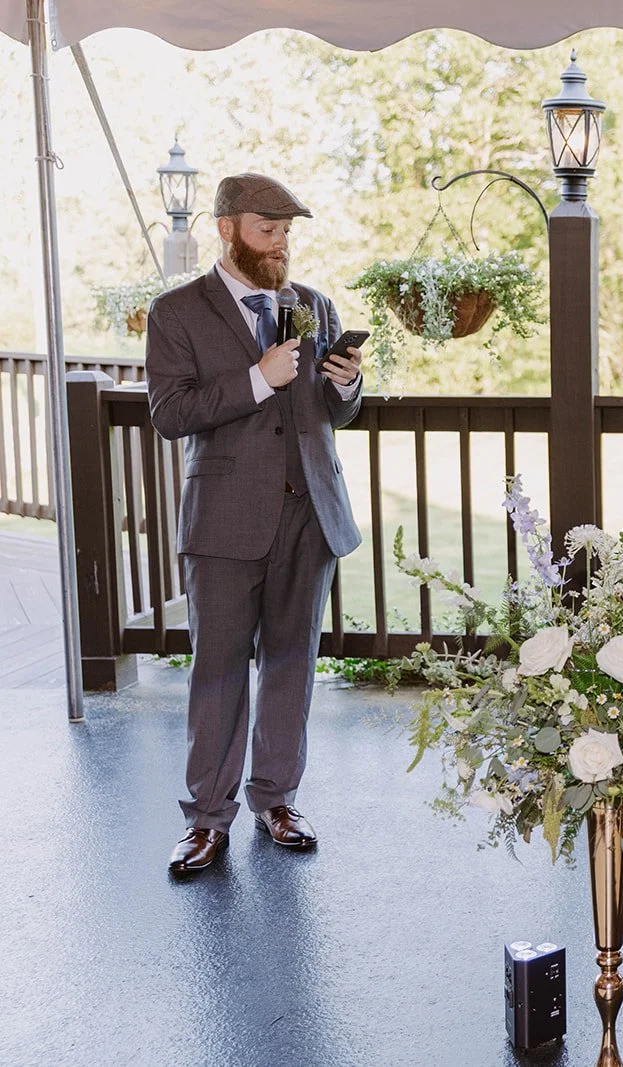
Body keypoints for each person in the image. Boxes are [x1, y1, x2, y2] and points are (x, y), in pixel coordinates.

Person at [147, 173, 364, 875]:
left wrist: (345, 384)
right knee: (217, 672)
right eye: (267, 230)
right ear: (228, 229)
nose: (280, 244)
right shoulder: (176, 313)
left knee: (293, 665)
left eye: (287, 232)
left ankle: (278, 799)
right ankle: (207, 819)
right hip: (225, 522)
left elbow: (330, 413)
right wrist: (256, 377)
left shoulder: (313, 305)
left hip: (311, 517)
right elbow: (171, 413)